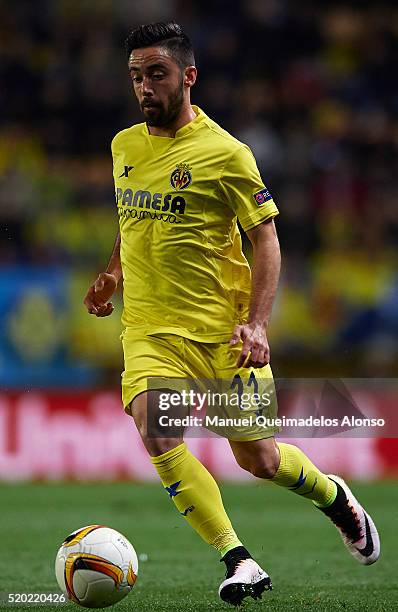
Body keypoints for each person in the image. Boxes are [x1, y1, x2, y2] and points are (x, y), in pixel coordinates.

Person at [84, 21, 380, 606]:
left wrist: (257, 323)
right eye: (136, 77)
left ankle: (332, 496)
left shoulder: (227, 154)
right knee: (156, 428)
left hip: (224, 335)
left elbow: (265, 240)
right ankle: (237, 558)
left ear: (188, 76)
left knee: (259, 457)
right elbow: (131, 222)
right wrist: (115, 273)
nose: (145, 88)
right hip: (149, 330)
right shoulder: (123, 145)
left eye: (157, 75)